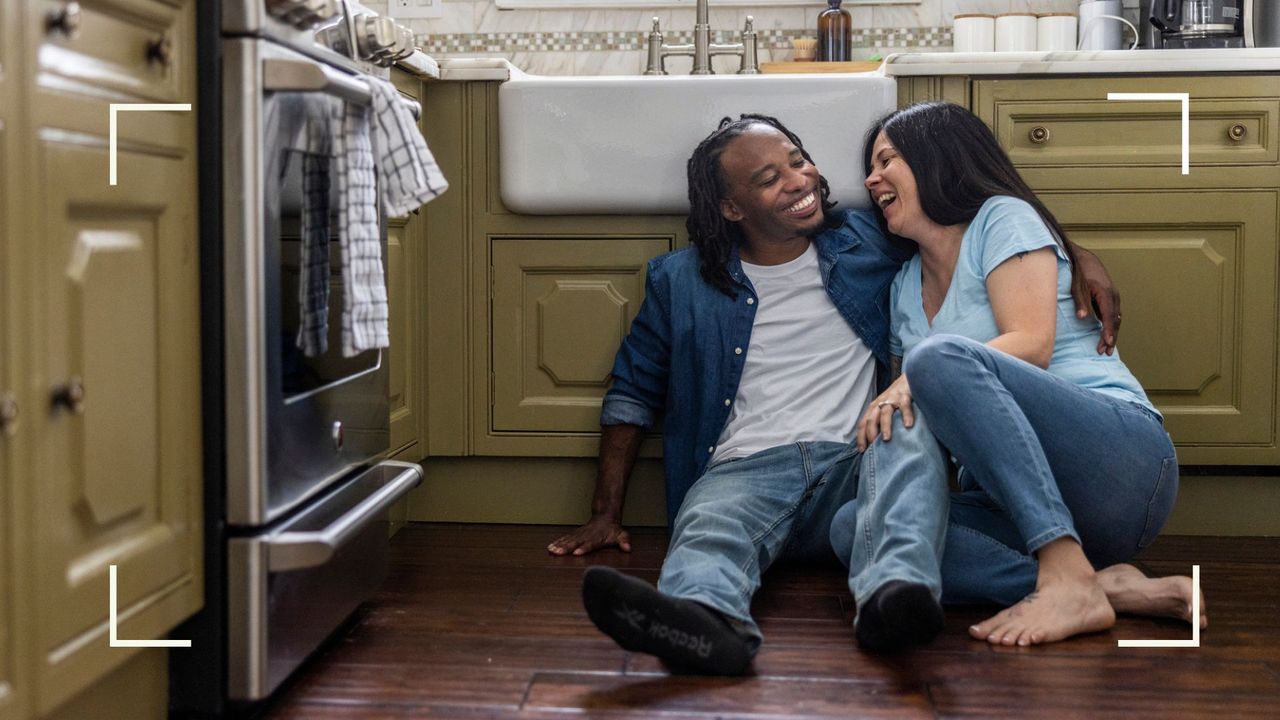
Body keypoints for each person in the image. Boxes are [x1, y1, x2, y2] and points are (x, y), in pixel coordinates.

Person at [546, 114, 1120, 673]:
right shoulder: (681, 280)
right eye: (769, 179)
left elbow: (973, 228)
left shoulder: (869, 239)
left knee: (906, 420)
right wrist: (604, 514)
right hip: (745, 468)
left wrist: (1079, 256)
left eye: (797, 161)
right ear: (730, 207)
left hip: (857, 459)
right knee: (709, 527)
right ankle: (704, 624)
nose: (798, 181)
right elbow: (632, 390)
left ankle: (896, 598)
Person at [828, 101, 1204, 650]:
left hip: (1119, 466)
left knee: (931, 364)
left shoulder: (1001, 218)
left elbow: (1032, 344)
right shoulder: (903, 287)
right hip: (1012, 503)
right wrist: (902, 398)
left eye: (887, 159)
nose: (871, 177)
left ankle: (1062, 564)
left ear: (939, 159)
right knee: (857, 527)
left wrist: (911, 379)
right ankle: (1099, 586)